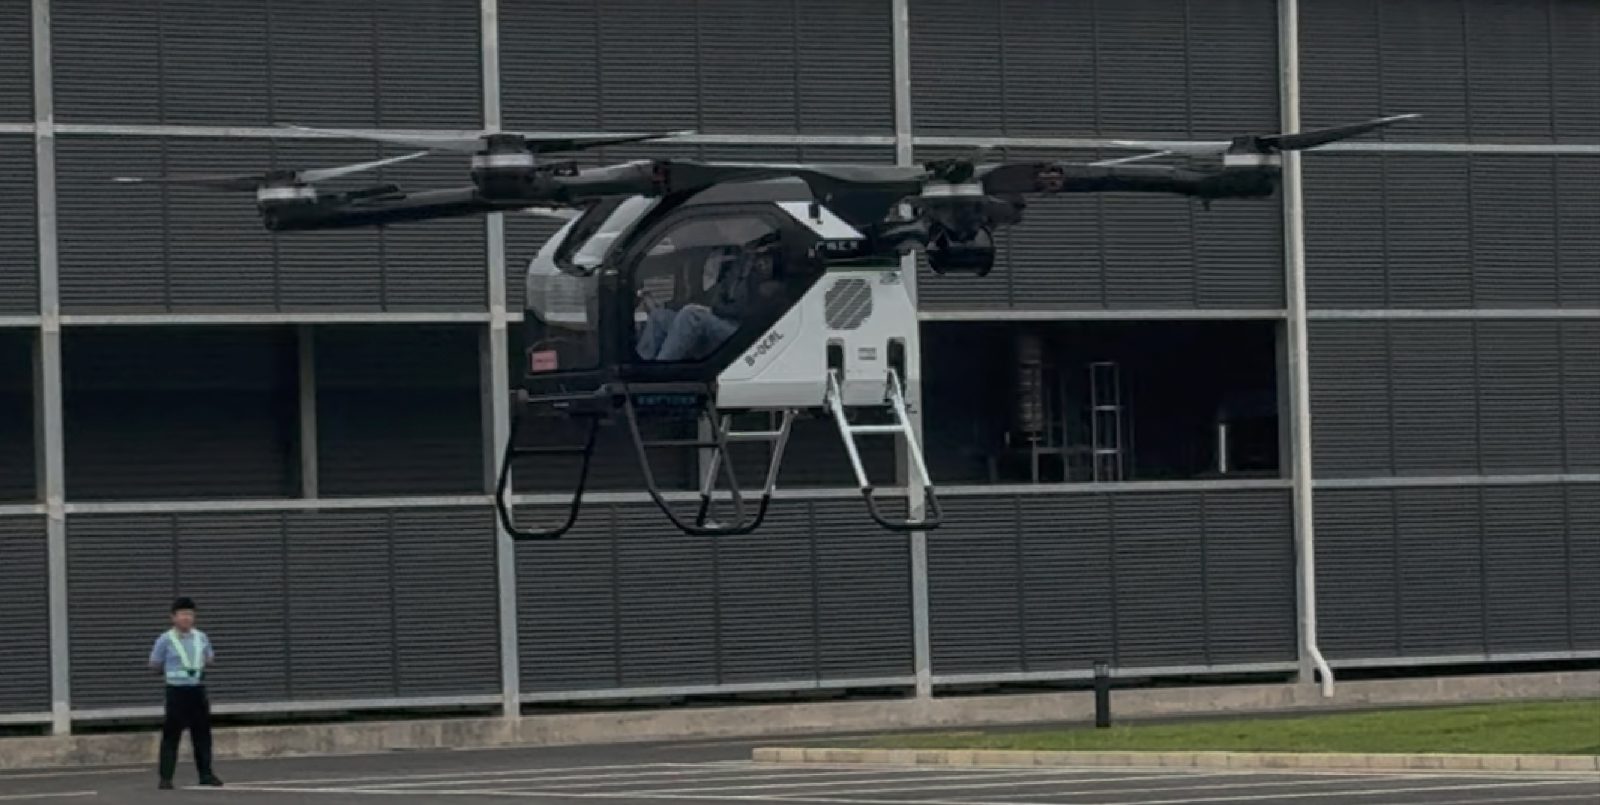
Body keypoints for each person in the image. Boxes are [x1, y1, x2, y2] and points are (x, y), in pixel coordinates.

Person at [148, 597, 223, 790]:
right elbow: (154, 665)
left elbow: (210, 659)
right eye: (182, 614)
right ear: (173, 617)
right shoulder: (165, 639)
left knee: (202, 735)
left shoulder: (201, 637)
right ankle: (166, 778)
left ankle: (206, 774)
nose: (187, 618)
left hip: (197, 690)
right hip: (176, 691)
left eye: (190, 614)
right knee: (171, 736)